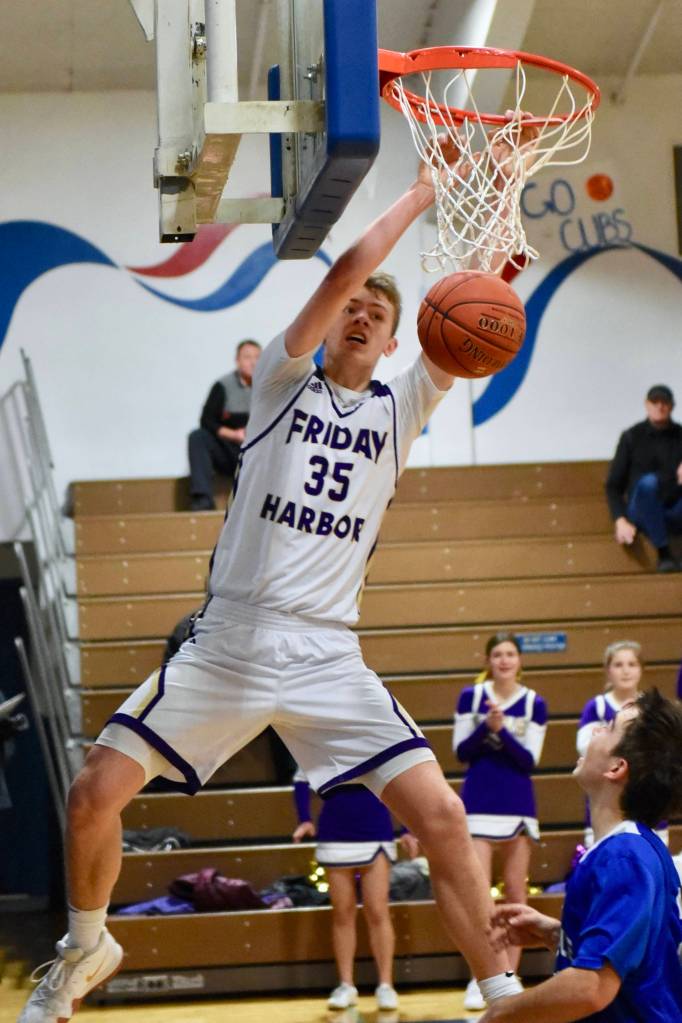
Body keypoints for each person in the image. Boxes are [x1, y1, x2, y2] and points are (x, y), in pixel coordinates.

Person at [19, 120, 540, 1023]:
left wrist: (495, 233)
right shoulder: (281, 384)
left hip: (329, 654)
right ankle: (85, 943)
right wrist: (421, 190)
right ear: (329, 326)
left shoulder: (404, 402)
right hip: (229, 640)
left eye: (380, 315)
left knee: (446, 819)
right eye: (354, 310)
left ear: (393, 343)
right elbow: (342, 277)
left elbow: (475, 320)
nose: (363, 315)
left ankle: (500, 995)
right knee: (91, 793)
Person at [479, 688, 682, 1022]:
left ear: (617, 767)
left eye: (609, 727)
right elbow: (641, 953)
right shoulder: (637, 847)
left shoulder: (624, 859)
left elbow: (590, 988)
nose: (596, 730)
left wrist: (502, 1012)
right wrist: (559, 934)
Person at [454, 633, 548, 1011]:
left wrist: (502, 732)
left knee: (515, 892)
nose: (505, 660)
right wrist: (485, 728)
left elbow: (529, 760)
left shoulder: (534, 702)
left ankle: (510, 977)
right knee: (478, 895)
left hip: (518, 803)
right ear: (488, 660)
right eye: (498, 654)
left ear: (520, 660)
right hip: (478, 802)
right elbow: (462, 752)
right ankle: (483, 976)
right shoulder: (471, 697)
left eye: (511, 654)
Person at [292, 768, 419, 1011]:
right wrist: (304, 819)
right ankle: (346, 985)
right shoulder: (318, 738)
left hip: (376, 830)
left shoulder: (374, 736)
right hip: (334, 832)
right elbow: (301, 779)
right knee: (342, 912)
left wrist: (406, 829)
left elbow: (400, 784)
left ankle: (385, 985)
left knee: (377, 910)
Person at [577, 640, 667, 848]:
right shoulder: (596, 707)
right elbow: (585, 749)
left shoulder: (652, 708)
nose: (625, 671)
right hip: (608, 798)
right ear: (608, 671)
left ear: (641, 670)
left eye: (632, 664)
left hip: (646, 796)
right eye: (618, 665)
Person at [605, 384, 682, 572]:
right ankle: (664, 553)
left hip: (673, 508)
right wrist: (620, 519)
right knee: (648, 484)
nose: (659, 406)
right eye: (654, 402)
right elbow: (613, 486)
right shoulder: (632, 437)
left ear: (672, 406)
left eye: (664, 402)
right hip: (641, 510)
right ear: (646, 405)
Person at [187, 338, 262, 511]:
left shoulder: (270, 386)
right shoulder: (223, 386)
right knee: (198, 437)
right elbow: (207, 420)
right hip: (231, 451)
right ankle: (202, 499)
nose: (253, 362)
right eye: (247, 357)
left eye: (257, 357)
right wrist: (234, 435)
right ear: (237, 361)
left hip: (258, 451)